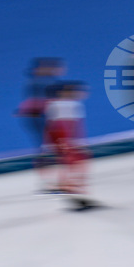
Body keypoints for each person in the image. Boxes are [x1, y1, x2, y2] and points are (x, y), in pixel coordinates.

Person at [44, 81, 98, 210]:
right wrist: (68, 143)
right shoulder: (65, 105)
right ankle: (74, 192)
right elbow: (62, 125)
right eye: (75, 91)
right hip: (66, 140)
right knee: (74, 165)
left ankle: (74, 191)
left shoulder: (66, 104)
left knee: (73, 165)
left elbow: (68, 126)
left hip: (66, 140)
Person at [15, 57, 66, 192]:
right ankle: (50, 182)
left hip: (44, 119)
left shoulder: (43, 82)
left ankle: (54, 181)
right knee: (47, 149)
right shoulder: (38, 83)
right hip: (41, 119)